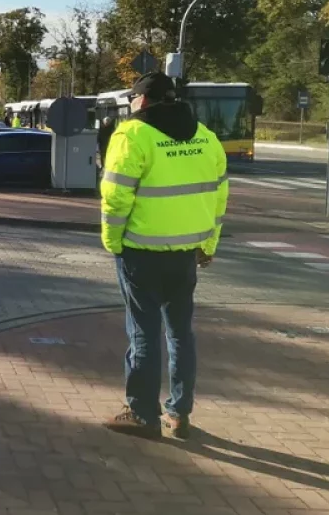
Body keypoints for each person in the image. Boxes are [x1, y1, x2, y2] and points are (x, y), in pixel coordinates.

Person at [100, 72, 227, 441]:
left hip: (141, 252)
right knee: (180, 334)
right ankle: (179, 412)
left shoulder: (132, 135)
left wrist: (113, 242)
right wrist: (209, 244)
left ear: (141, 100)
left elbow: (116, 196)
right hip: (186, 254)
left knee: (143, 332)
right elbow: (219, 196)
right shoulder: (206, 137)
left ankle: (141, 414)